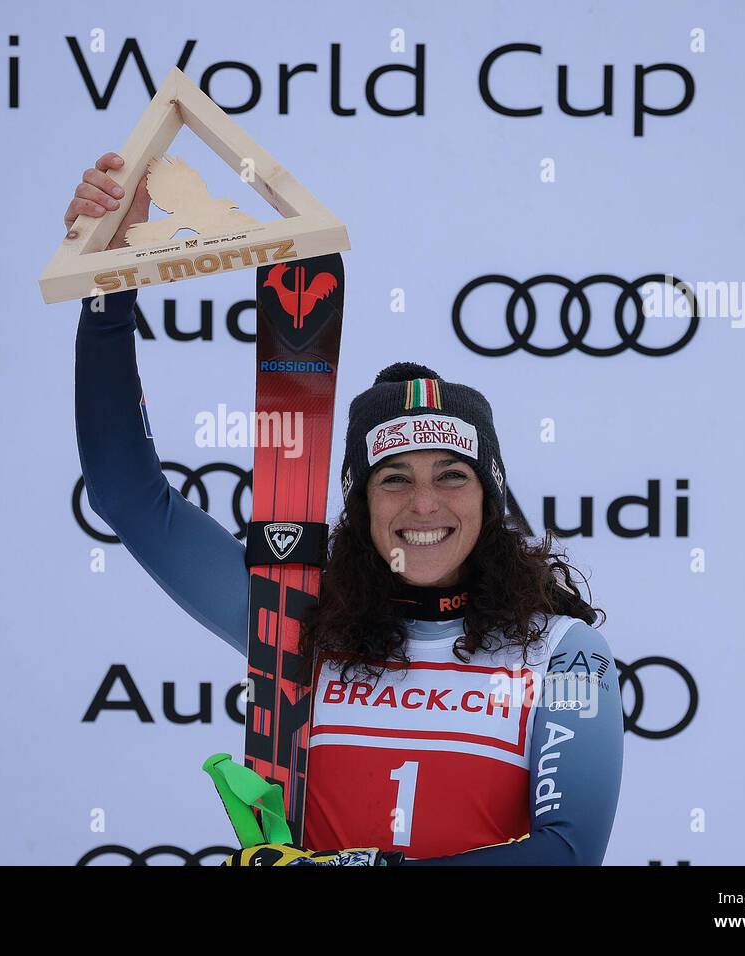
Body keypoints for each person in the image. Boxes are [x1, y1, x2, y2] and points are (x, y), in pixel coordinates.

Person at [67, 151, 624, 865]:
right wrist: (108, 282)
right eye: (393, 479)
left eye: (452, 475)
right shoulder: (297, 626)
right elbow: (127, 494)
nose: (424, 503)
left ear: (490, 497)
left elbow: (568, 856)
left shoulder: (563, 655)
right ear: (358, 505)